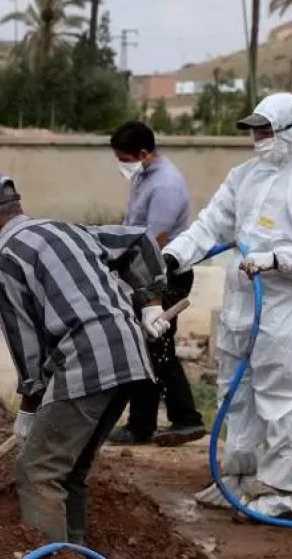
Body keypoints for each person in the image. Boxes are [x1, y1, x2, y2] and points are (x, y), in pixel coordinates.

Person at [165, 92, 292, 519]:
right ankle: (236, 478)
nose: (257, 138)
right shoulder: (245, 176)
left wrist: (279, 259)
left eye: (265, 130)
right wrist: (175, 255)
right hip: (241, 312)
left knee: (282, 403)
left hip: (286, 314)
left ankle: (277, 492)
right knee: (237, 398)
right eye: (254, 131)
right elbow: (212, 223)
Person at [0, 173, 168, 544]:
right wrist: (151, 303)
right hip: (131, 355)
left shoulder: (4, 261)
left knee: (38, 472)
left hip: (86, 362)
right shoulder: (69, 231)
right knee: (70, 470)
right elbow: (139, 238)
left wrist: (28, 411)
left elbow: (28, 350)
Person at [106, 120, 207, 447]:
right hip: (145, 271)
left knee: (157, 347)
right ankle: (144, 424)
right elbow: (132, 225)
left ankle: (183, 420)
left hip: (165, 272)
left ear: (144, 153)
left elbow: (154, 241)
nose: (121, 165)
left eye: (124, 158)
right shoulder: (145, 177)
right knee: (147, 347)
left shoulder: (166, 186)